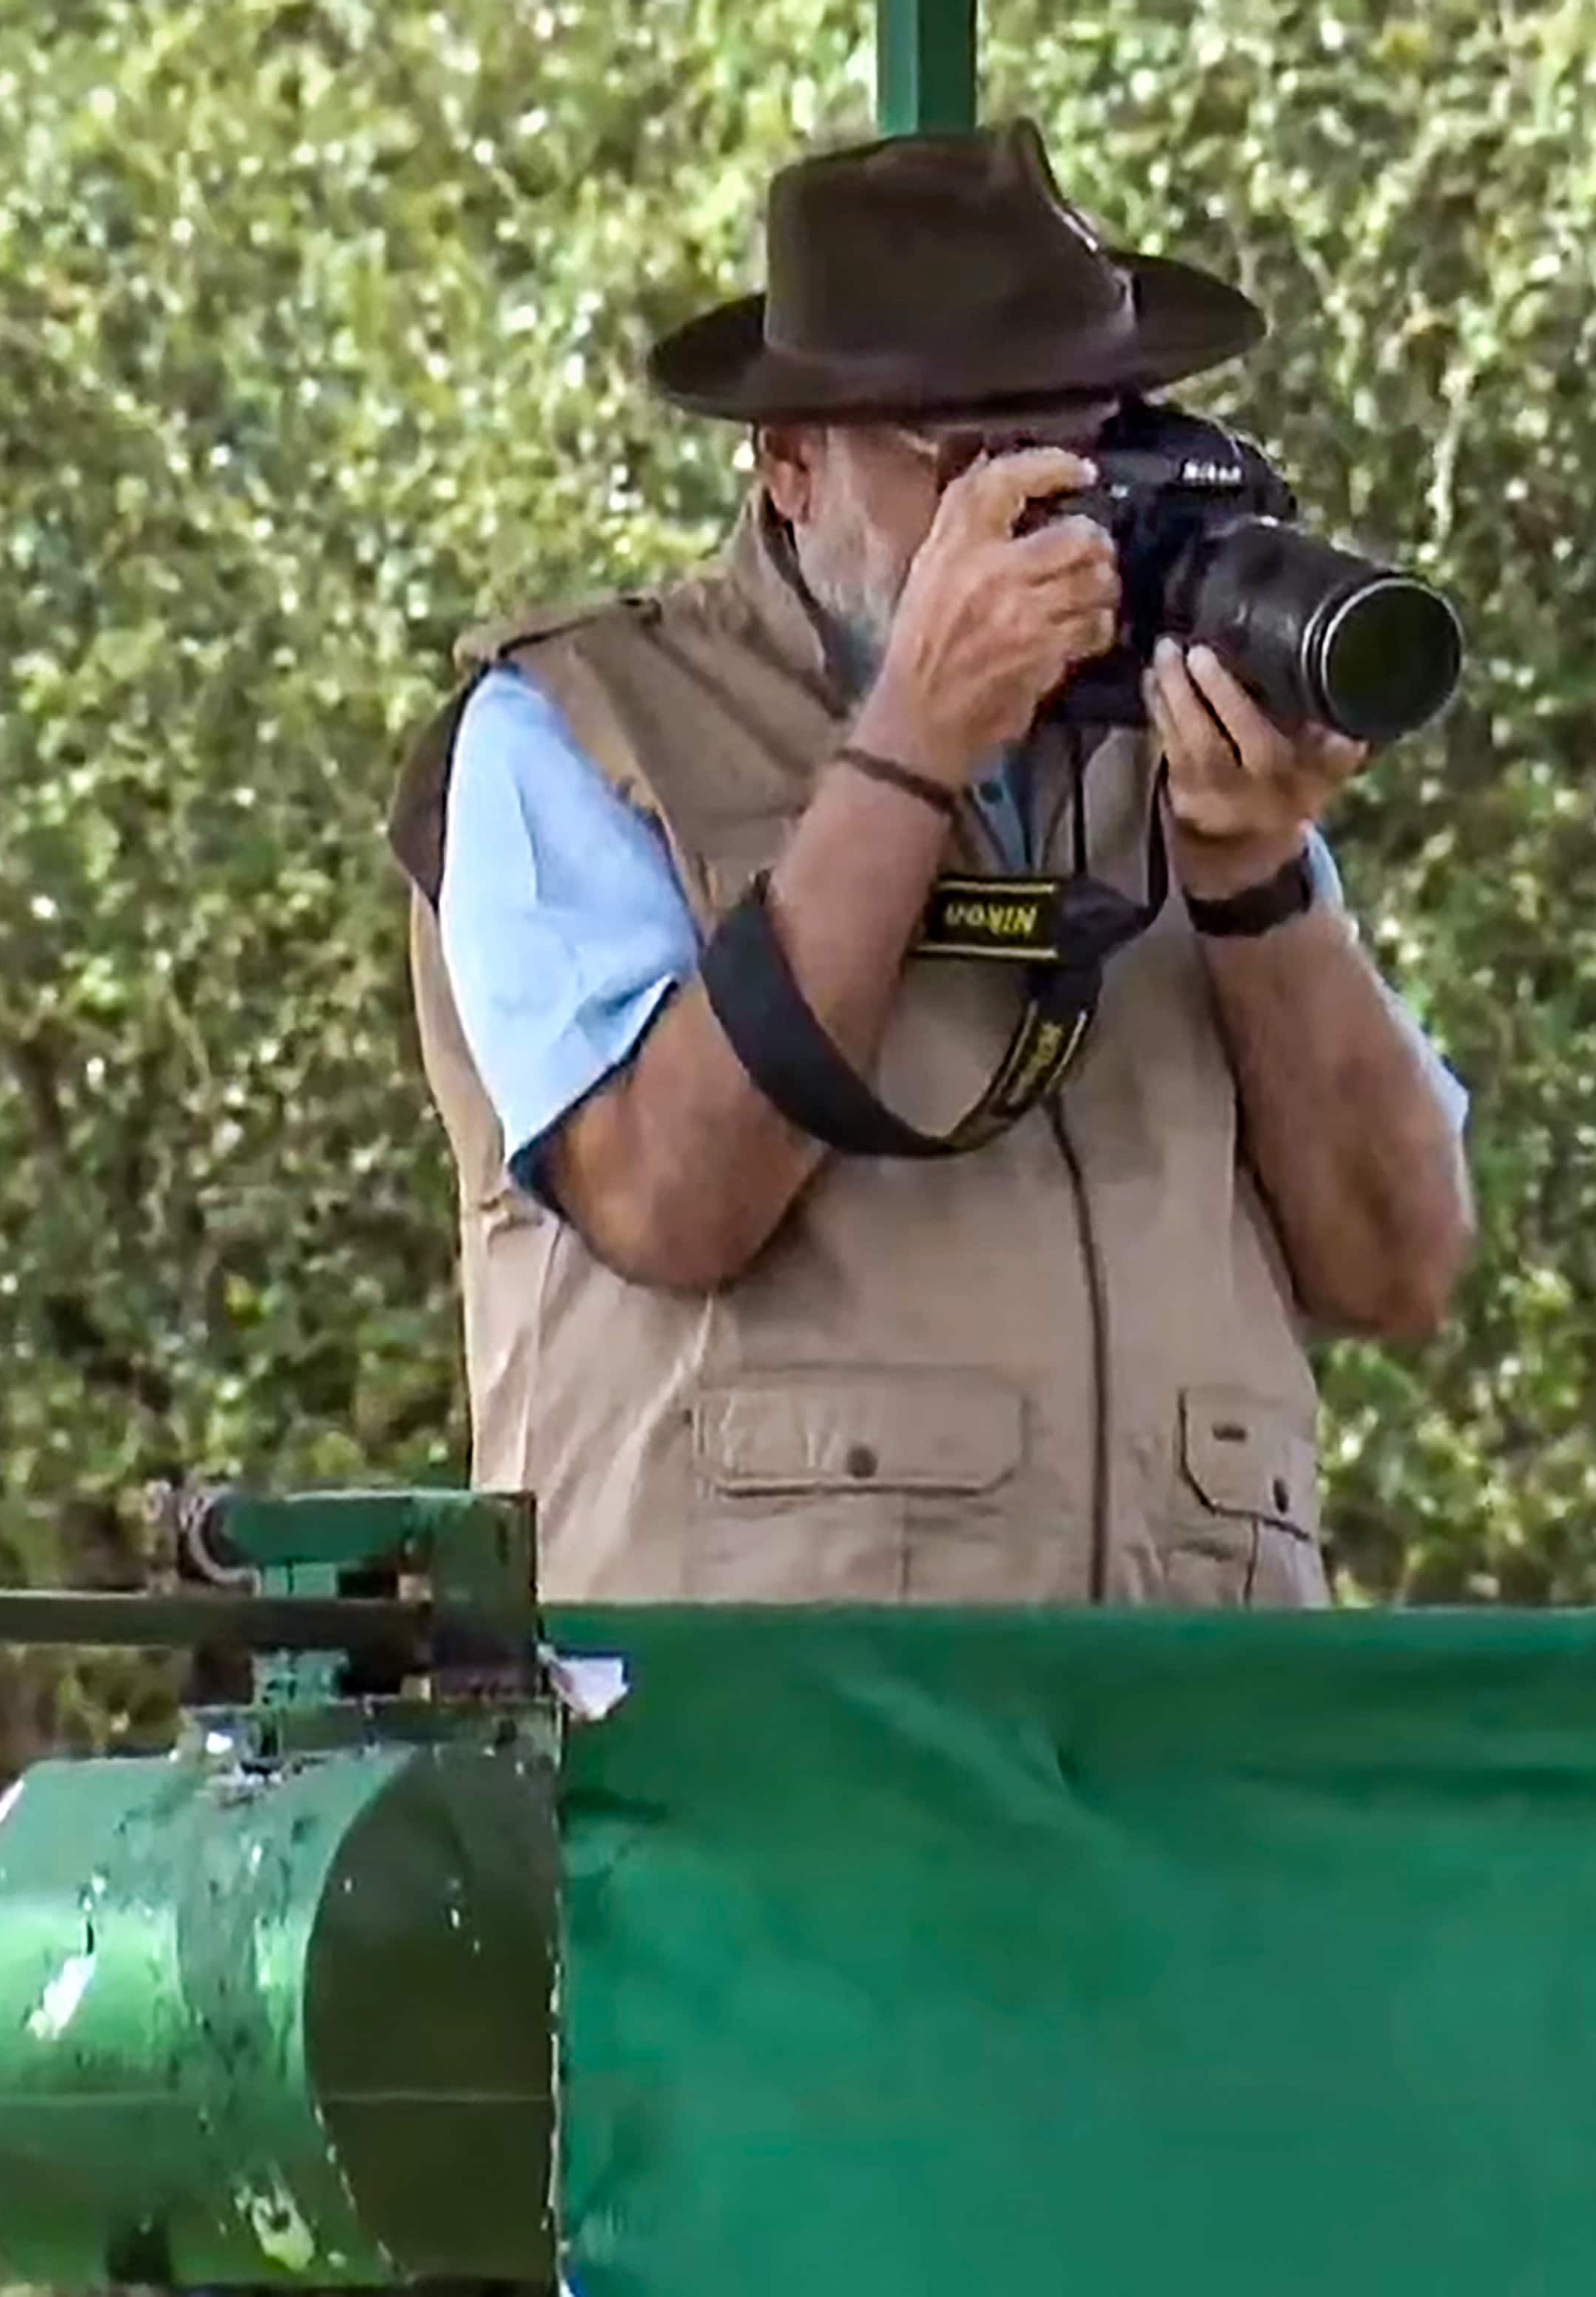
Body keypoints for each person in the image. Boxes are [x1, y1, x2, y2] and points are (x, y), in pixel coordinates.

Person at [381, 119, 1476, 1611]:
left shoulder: (1172, 739)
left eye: (1093, 455)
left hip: (1183, 1756)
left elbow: (1399, 1269)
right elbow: (662, 1200)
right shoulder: (571, 731)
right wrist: (912, 745)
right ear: (789, 464)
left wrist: (1259, 872)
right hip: (777, 1765)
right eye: (970, 465)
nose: (1048, 523)